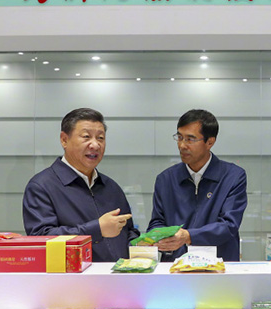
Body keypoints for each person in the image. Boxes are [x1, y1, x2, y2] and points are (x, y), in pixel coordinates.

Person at [22, 108, 139, 262]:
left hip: (119, 274)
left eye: (100, 138)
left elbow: (129, 231)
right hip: (74, 276)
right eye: (86, 137)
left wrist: (141, 244)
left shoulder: (111, 187)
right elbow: (41, 239)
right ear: (64, 140)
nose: (95, 145)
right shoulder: (41, 186)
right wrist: (97, 229)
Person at [148, 109, 248, 261]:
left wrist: (188, 236)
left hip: (219, 266)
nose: (182, 145)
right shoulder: (166, 179)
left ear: (210, 142)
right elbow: (157, 222)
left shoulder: (233, 176)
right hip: (175, 266)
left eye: (190, 139)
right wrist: (158, 237)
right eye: (179, 137)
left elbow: (229, 225)